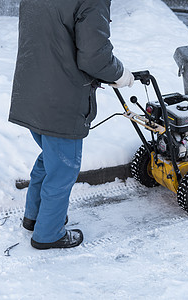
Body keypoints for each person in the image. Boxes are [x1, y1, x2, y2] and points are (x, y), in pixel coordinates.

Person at [8, 0, 134, 250]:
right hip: (61, 99)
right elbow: (95, 57)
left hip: (33, 91)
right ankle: (49, 234)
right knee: (63, 169)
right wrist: (120, 74)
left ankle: (34, 217)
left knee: (50, 158)